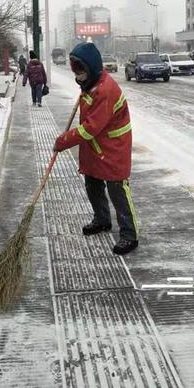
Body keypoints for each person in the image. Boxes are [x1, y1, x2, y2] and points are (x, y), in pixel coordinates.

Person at [54, 42, 138, 255]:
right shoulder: (91, 85)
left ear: (91, 68)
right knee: (92, 183)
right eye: (77, 72)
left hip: (113, 148)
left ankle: (129, 235)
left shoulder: (105, 90)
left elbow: (90, 128)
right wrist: (84, 88)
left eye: (81, 72)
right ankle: (102, 220)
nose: (79, 77)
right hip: (96, 147)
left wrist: (64, 140)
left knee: (117, 191)